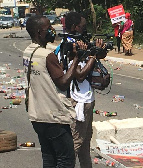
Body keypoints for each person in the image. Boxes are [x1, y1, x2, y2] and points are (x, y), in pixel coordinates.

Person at [23, 15, 85, 168]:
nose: (52, 30)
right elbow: (63, 83)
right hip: (54, 116)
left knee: (49, 157)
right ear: (39, 32)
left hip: (37, 114)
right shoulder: (47, 55)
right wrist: (77, 58)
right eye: (48, 28)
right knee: (66, 160)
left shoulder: (28, 52)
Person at [60, 12, 107, 168]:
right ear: (75, 27)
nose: (85, 29)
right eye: (83, 26)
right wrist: (92, 55)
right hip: (79, 100)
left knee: (85, 143)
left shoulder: (76, 42)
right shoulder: (73, 46)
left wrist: (97, 51)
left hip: (85, 99)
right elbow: (79, 75)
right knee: (76, 143)